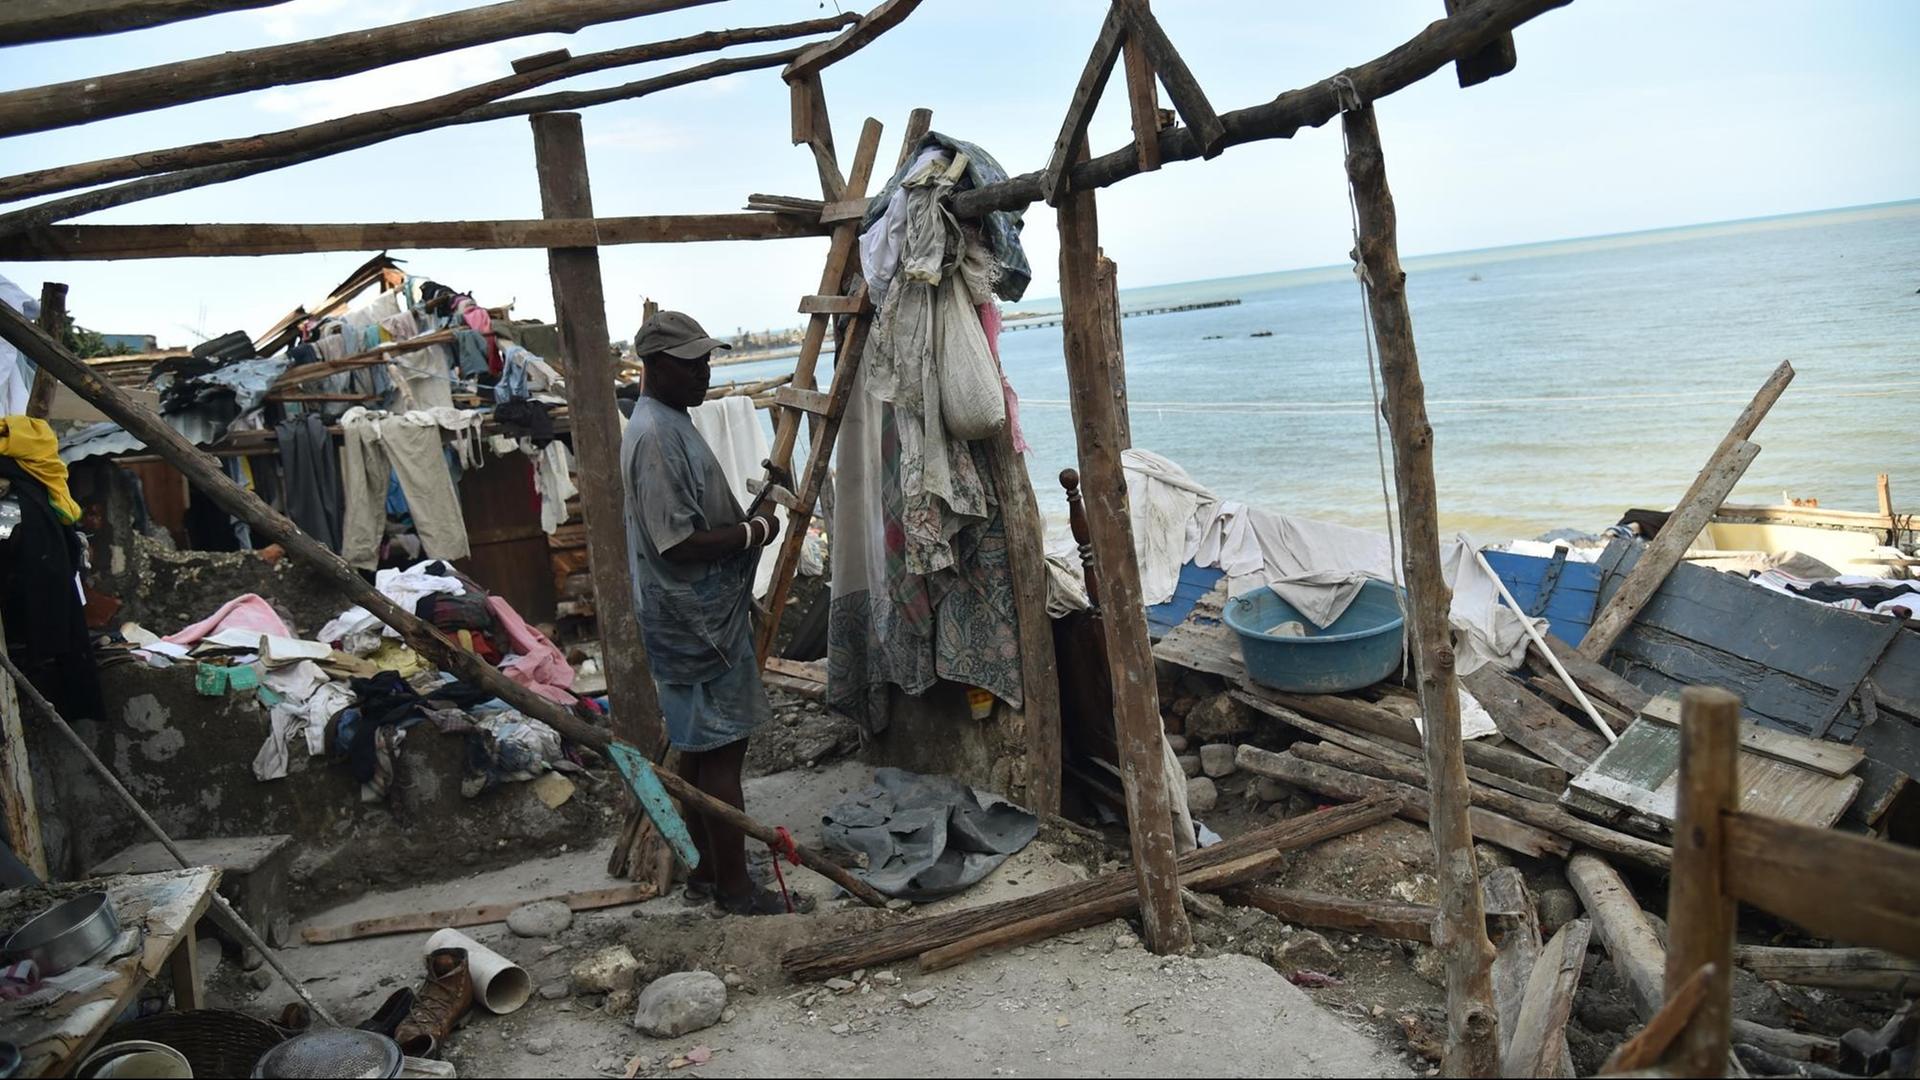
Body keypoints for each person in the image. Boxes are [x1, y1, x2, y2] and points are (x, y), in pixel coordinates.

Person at [620, 311, 786, 916]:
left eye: (706, 361)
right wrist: (752, 533)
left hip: (690, 616)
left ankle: (707, 874)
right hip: (696, 623)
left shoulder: (666, 421)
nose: (704, 373)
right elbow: (678, 542)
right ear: (655, 366)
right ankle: (736, 890)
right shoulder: (656, 436)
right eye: (691, 364)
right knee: (722, 753)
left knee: (697, 749)